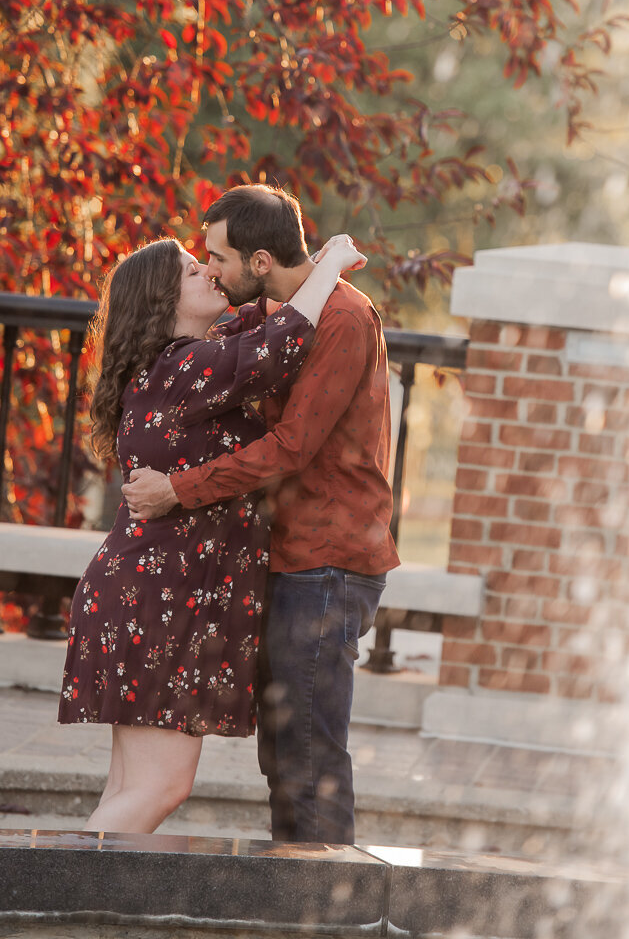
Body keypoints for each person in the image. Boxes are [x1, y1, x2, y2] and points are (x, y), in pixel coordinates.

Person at [58, 230, 365, 834]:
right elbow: (280, 346)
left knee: (130, 785)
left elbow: (262, 318)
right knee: (160, 785)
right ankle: (52, 901)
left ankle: (66, 901)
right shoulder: (184, 367)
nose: (209, 273)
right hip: (158, 599)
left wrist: (286, 270)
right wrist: (329, 263)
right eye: (193, 270)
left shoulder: (187, 358)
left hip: (147, 594)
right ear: (161, 300)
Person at [123, 184, 399, 844]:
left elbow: (293, 447)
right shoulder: (275, 313)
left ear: (261, 261)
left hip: (327, 562)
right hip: (287, 554)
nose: (209, 269)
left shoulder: (341, 319)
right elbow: (217, 361)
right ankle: (293, 899)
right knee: (282, 754)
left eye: (217, 258)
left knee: (309, 754)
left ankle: (330, 907)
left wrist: (179, 489)